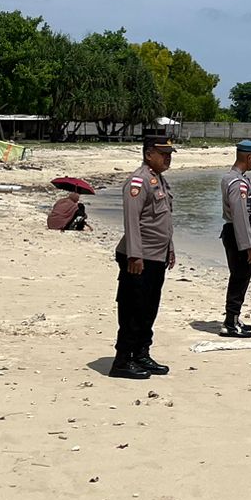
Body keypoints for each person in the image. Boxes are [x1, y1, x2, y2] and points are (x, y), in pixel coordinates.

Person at [111, 131, 176, 380]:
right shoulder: (138, 181)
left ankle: (141, 353)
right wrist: (135, 256)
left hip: (156, 256)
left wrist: (170, 249)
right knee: (132, 310)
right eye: (163, 154)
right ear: (149, 154)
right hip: (139, 258)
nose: (168, 159)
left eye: (170, 154)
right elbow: (132, 221)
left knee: (149, 309)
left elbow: (162, 221)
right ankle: (122, 360)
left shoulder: (158, 180)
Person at [218, 139, 251, 337]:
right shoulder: (237, 182)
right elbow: (240, 215)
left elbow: (250, 197)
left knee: (241, 275)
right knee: (240, 277)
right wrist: (249, 245)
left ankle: (234, 317)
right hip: (238, 233)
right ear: (249, 157)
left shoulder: (235, 178)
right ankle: (230, 322)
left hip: (235, 232)